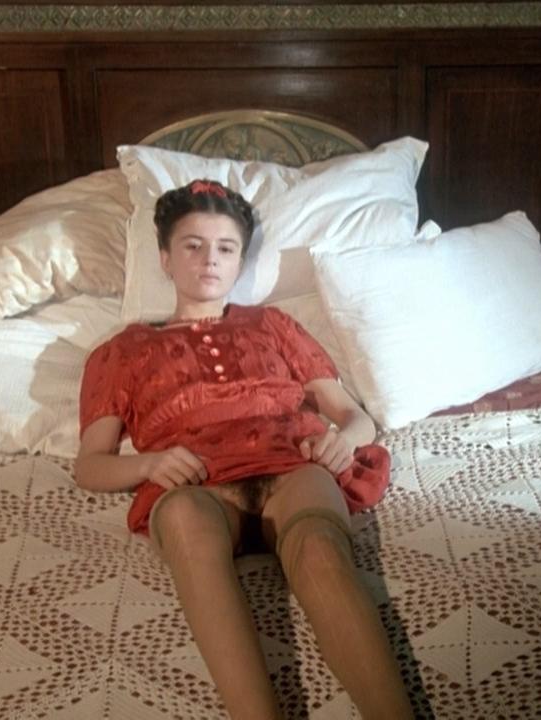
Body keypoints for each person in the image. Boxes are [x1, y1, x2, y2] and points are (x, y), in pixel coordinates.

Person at [75, 178, 413, 720]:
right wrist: (149, 463)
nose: (210, 259)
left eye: (225, 248)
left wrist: (342, 441)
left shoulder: (272, 324)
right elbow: (89, 466)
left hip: (289, 465)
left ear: (238, 261)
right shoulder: (123, 350)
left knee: (319, 547)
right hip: (197, 484)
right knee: (184, 521)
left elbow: (353, 416)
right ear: (165, 258)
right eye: (193, 245)